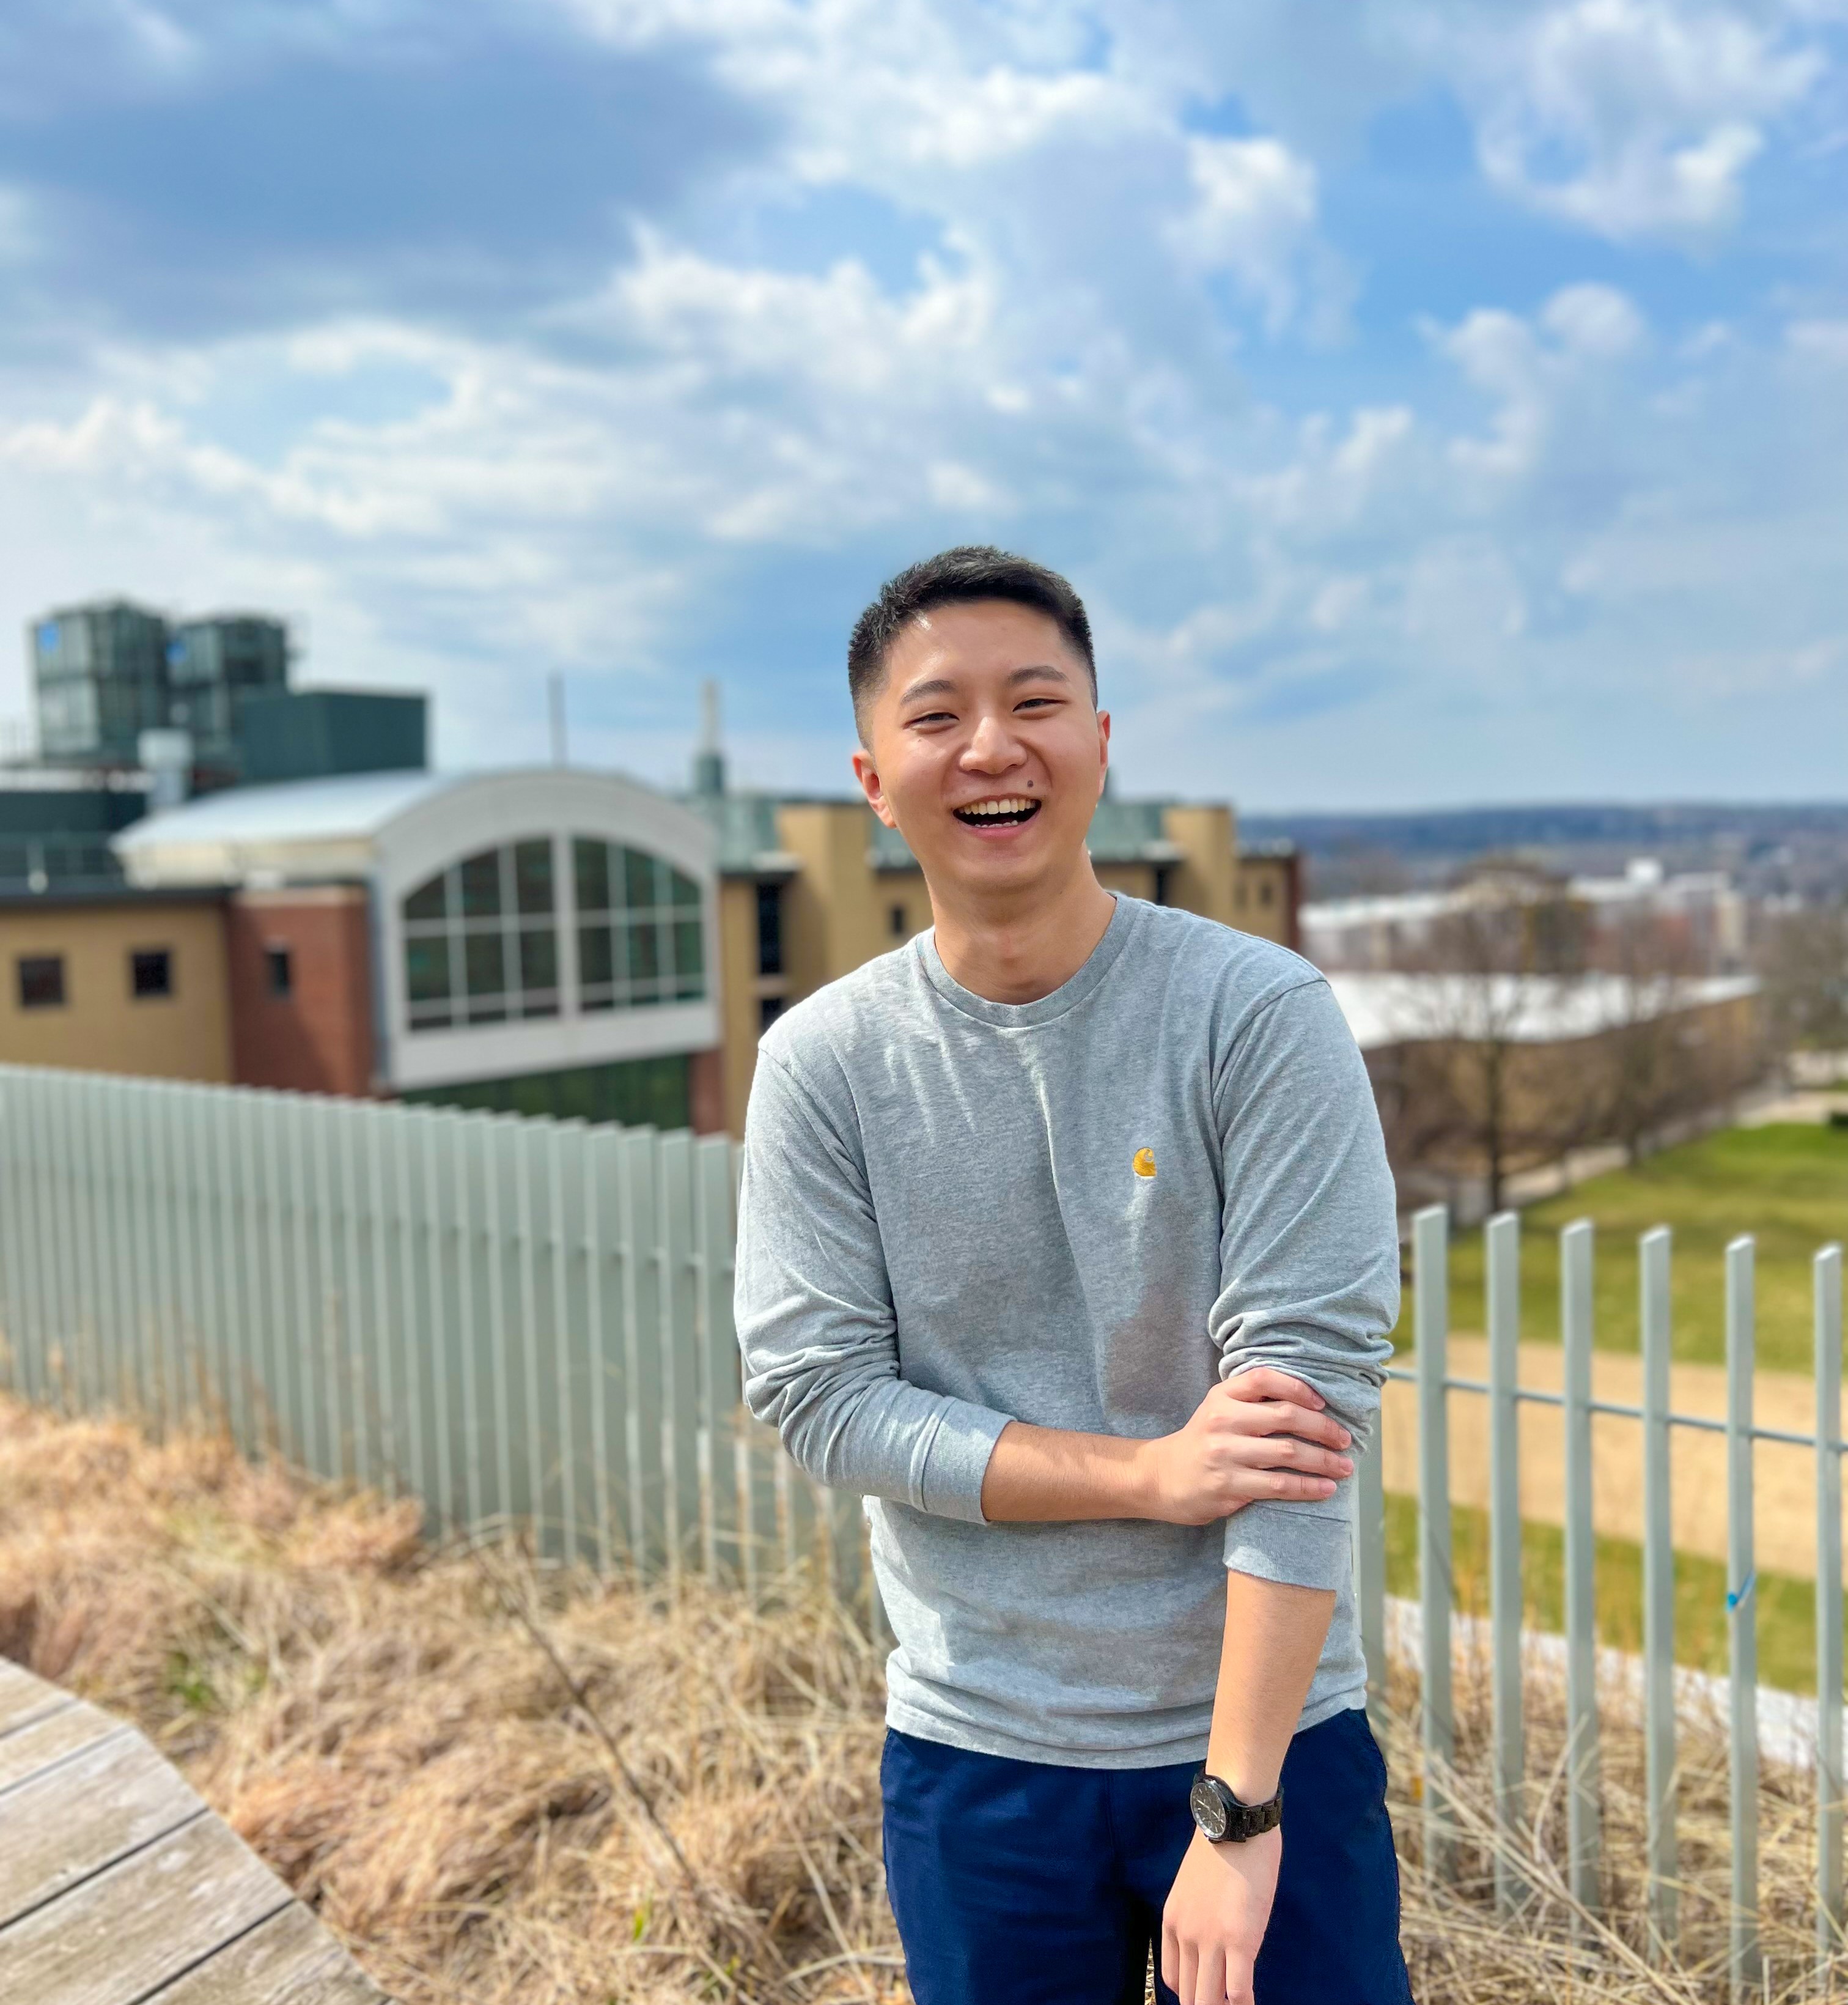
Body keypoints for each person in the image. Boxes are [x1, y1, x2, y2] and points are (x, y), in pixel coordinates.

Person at [734, 547, 1410, 2005]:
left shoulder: (1256, 1015)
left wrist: (1237, 1809)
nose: (992, 746)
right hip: (979, 1747)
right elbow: (819, 1398)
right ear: (872, 775)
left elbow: (1303, 1417)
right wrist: (1150, 1473)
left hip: (1263, 1739)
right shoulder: (825, 1066)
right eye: (938, 715)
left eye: (1036, 701)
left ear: (1100, 744)